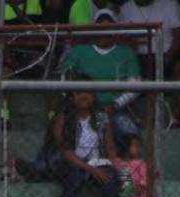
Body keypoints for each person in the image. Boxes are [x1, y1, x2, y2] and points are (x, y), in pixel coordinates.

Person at [59, 10, 141, 140]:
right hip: (82, 110)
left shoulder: (126, 52)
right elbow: (63, 79)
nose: (105, 33)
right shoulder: (78, 51)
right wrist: (79, 102)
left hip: (115, 110)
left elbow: (135, 85)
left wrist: (115, 105)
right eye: (101, 28)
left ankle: (122, 160)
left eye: (109, 28)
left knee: (129, 133)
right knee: (64, 133)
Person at [49, 88, 119, 197]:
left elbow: (109, 146)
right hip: (68, 162)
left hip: (95, 162)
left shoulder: (100, 117)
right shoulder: (64, 116)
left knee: (112, 177)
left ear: (93, 96)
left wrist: (117, 165)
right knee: (76, 175)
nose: (84, 96)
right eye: (79, 92)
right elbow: (64, 151)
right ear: (72, 96)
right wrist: (90, 169)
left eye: (88, 92)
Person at [104, 132, 148, 197]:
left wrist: (133, 188)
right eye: (136, 146)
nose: (139, 150)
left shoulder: (141, 164)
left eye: (139, 147)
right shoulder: (119, 162)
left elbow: (143, 183)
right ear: (125, 147)